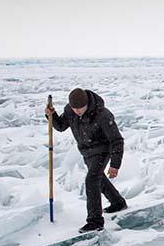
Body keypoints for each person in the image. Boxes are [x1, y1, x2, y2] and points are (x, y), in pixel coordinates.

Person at [45, 88, 127, 233]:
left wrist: (115, 165)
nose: (77, 112)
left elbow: (117, 141)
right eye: (74, 108)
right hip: (86, 151)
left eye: (80, 108)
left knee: (92, 180)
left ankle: (95, 221)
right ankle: (118, 203)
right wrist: (52, 116)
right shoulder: (70, 111)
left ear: (87, 103)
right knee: (98, 178)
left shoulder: (102, 115)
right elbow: (61, 126)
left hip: (103, 150)